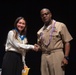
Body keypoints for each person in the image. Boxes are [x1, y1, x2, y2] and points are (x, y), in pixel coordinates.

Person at [37, 8, 73, 75]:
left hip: (56, 54)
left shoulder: (60, 25)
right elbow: (41, 46)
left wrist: (66, 57)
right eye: (42, 15)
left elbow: (67, 42)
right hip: (44, 56)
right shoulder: (40, 31)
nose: (44, 16)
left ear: (50, 14)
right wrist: (37, 47)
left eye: (46, 14)